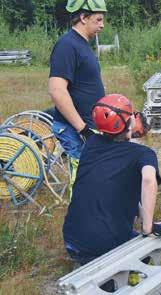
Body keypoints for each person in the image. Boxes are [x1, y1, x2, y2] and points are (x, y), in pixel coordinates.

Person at [63, 94, 161, 267]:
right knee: (151, 254)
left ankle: (85, 260)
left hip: (72, 239)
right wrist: (148, 226)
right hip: (104, 245)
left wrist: (143, 216)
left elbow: (116, 188)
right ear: (129, 123)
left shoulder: (91, 144)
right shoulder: (142, 154)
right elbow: (149, 180)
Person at [48, 0, 107, 197]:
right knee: (84, 180)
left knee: (95, 176)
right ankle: (82, 222)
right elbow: (57, 91)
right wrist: (82, 128)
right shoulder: (67, 45)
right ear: (83, 17)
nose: (102, 25)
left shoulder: (82, 45)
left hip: (88, 126)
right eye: (98, 19)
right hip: (76, 129)